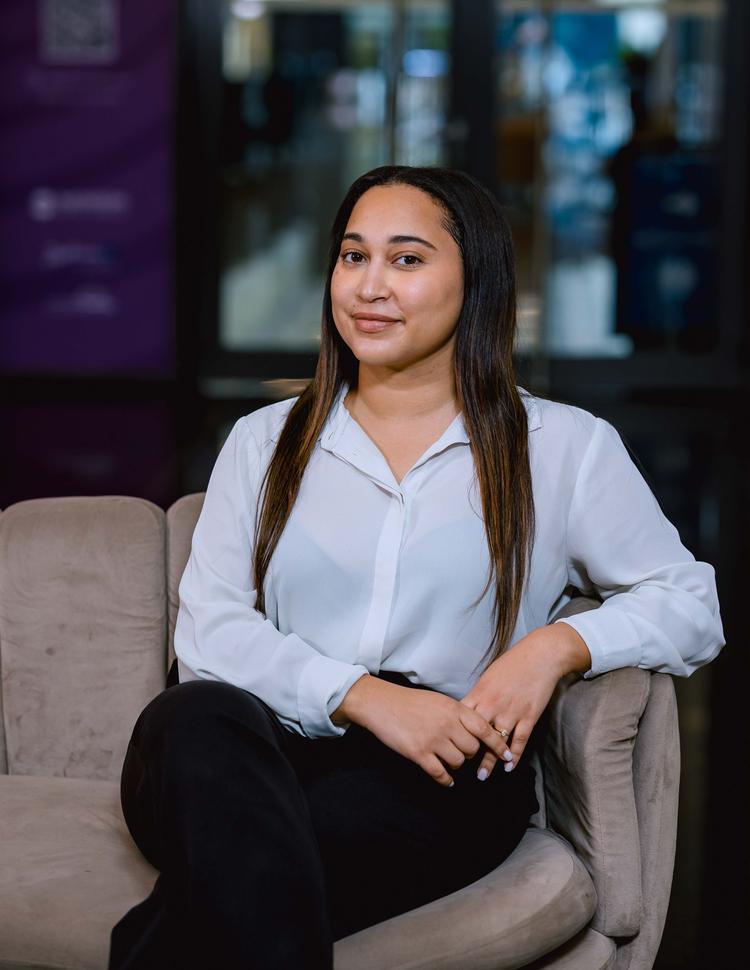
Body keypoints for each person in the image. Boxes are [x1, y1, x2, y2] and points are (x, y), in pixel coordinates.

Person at [108, 165, 725, 970]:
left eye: (406, 259)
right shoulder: (265, 441)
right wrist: (366, 699)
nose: (369, 286)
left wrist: (555, 649)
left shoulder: (562, 448)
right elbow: (211, 633)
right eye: (352, 256)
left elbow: (690, 601)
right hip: (253, 750)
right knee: (188, 717)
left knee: (230, 887)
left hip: (436, 771)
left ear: (477, 281)